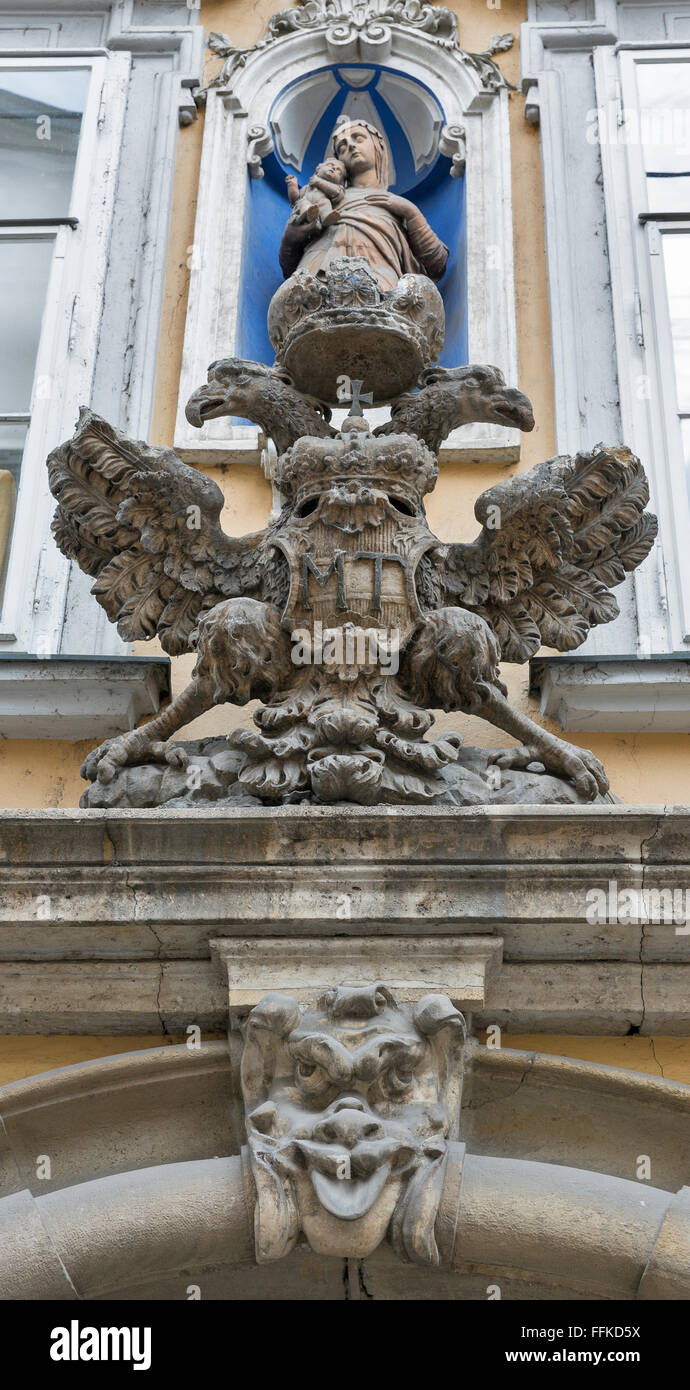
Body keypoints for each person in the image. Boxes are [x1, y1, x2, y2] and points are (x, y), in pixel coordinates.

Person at [278, 117, 448, 292]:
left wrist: (411, 213)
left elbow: (436, 266)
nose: (351, 146)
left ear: (378, 146)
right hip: (316, 279)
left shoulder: (397, 206)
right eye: (342, 147)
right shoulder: (325, 198)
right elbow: (289, 269)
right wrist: (290, 240)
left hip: (381, 285)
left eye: (358, 138)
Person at [285, 158, 346, 231]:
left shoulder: (336, 187)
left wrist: (318, 182)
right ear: (318, 168)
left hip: (321, 203)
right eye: (330, 165)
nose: (333, 168)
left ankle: (326, 218)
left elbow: (337, 193)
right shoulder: (307, 187)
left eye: (338, 170)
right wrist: (292, 185)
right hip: (305, 203)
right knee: (303, 203)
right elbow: (296, 200)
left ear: (340, 181)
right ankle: (308, 213)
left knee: (325, 203)